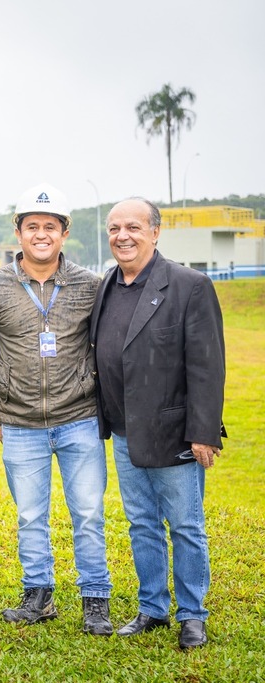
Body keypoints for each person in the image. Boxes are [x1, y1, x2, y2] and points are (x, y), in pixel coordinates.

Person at [0, 184, 111, 634]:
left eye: (51, 226)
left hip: (79, 420)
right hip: (20, 425)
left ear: (64, 232)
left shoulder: (91, 286)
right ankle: (38, 596)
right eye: (33, 226)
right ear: (19, 232)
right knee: (30, 516)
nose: (41, 234)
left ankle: (96, 600)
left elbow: (107, 348)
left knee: (87, 514)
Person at [91, 197, 225, 649]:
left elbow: (207, 366)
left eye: (132, 226)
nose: (122, 236)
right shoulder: (106, 285)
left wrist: (204, 431)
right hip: (124, 431)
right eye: (114, 228)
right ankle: (152, 608)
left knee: (185, 524)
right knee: (141, 523)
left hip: (173, 434)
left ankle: (192, 614)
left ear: (155, 232)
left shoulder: (190, 286)